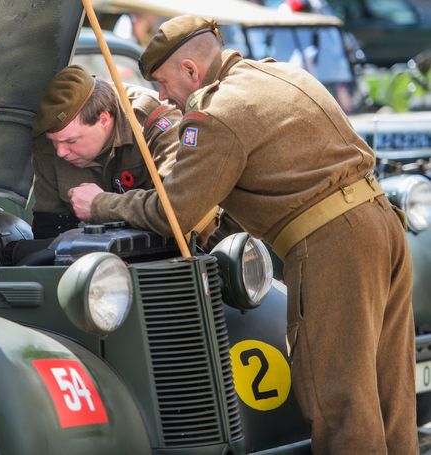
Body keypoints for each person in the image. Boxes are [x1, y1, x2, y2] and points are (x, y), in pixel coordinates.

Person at [69, 15, 416, 454]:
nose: (161, 97)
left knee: (340, 399)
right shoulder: (283, 73)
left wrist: (100, 203)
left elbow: (174, 211)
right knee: (392, 393)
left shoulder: (215, 114)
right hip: (383, 222)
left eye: (162, 82)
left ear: (191, 72)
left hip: (332, 246)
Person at [31, 64, 181, 239]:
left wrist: (100, 205)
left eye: (71, 141)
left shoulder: (153, 121)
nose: (61, 152)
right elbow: (49, 228)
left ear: (103, 119)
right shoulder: (50, 139)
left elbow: (175, 209)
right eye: (54, 142)